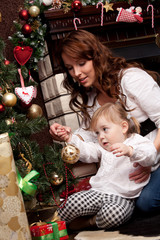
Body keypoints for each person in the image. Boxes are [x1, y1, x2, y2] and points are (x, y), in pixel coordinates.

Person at [49, 29, 160, 213]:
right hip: (140, 164)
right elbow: (89, 141)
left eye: (81, 63)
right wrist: (66, 136)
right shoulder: (92, 101)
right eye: (70, 68)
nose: (76, 73)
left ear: (96, 57)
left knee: (146, 203)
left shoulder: (130, 79)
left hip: (155, 155)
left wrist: (147, 160)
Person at [54, 102, 157, 230]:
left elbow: (151, 155)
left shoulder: (136, 142)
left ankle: (88, 222)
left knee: (114, 214)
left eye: (105, 129)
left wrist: (131, 151)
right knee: (72, 202)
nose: (101, 136)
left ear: (123, 127)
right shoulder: (103, 148)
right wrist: (70, 138)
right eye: (97, 133)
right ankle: (52, 223)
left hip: (123, 197)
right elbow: (86, 151)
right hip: (98, 192)